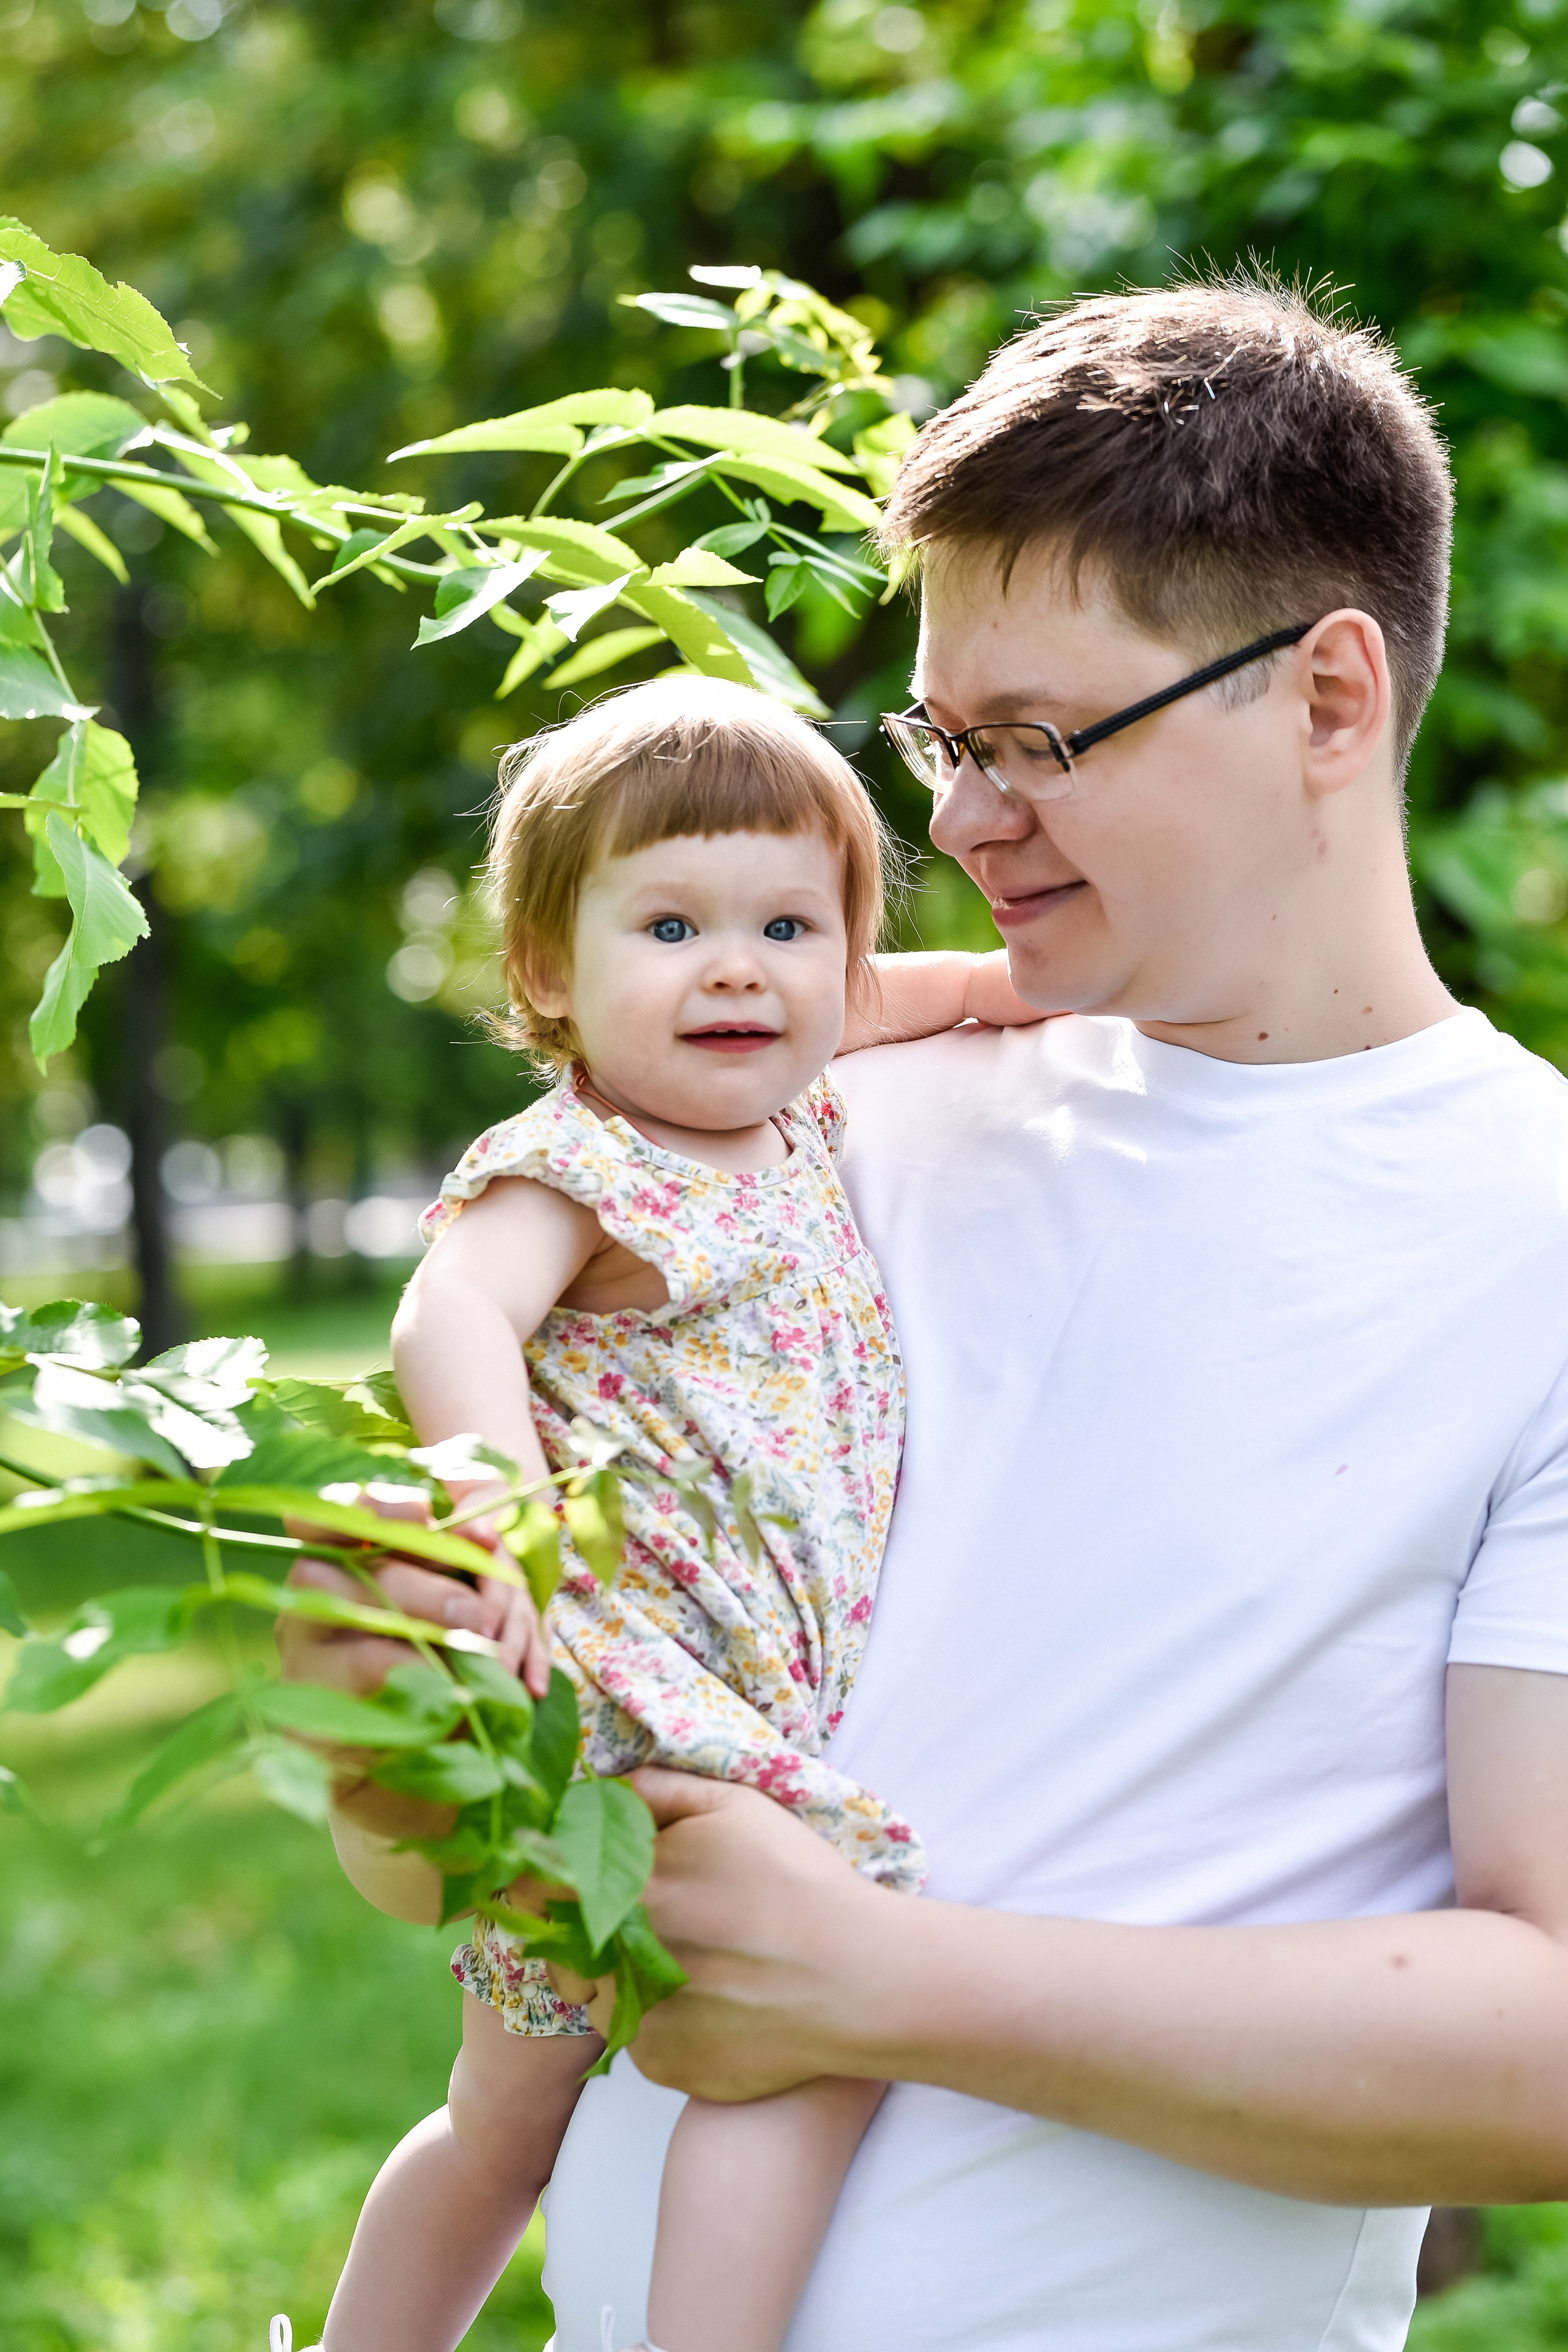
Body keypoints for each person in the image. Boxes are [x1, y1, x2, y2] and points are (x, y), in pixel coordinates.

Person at [284, 276, 1568, 2352]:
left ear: (1328, 700)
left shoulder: (1542, 1238)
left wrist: (887, 1984)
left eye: (1043, 741)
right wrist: (409, 1759)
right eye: (947, 741)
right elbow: (512, 1863)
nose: (959, 823)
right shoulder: (811, 1125)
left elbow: (1549, 2055)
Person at [301, 677, 1044, 2352]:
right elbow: (447, 1312)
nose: (738, 966)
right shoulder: (587, 1165)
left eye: (789, 924)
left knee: (504, 2128)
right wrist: (495, 1504)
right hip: (637, 1704)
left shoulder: (803, 1099)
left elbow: (925, 992)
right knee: (831, 2000)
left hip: (701, 1704)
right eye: (672, 924)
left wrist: (1039, 987)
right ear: (553, 973)